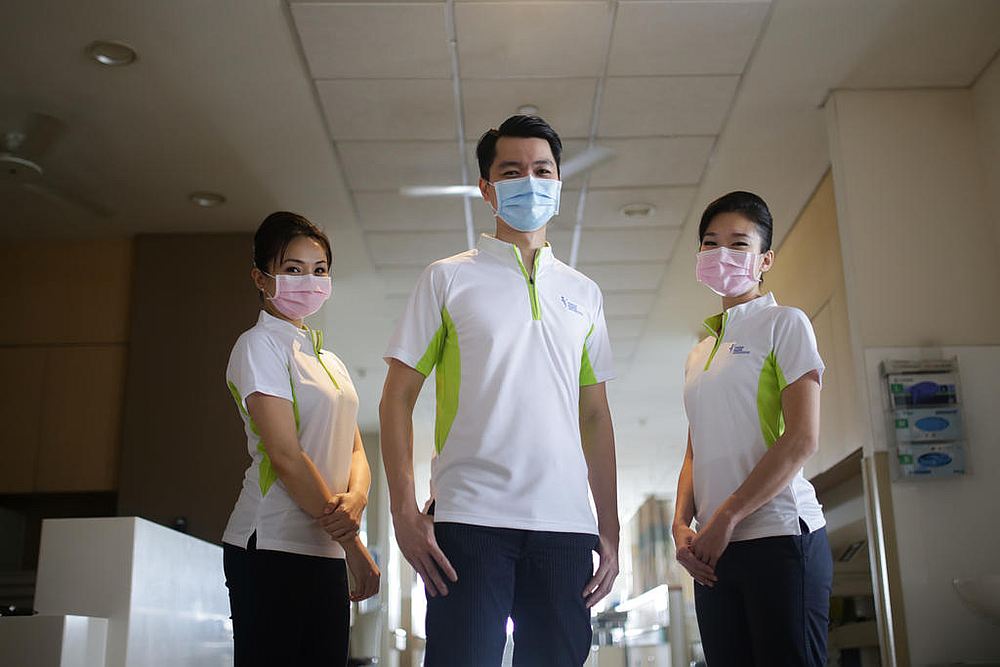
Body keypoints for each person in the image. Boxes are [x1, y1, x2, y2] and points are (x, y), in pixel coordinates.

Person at [380, 115, 620, 666]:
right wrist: (403, 513)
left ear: (559, 183)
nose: (529, 181)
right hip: (469, 522)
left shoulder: (584, 293)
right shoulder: (447, 278)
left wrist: (608, 528)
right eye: (511, 171)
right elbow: (396, 397)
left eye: (542, 169)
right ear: (487, 189)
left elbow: (596, 417)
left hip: (564, 527)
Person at [671, 192, 833, 666]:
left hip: (780, 536)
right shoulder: (699, 352)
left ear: (765, 259)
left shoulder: (785, 324)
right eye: (710, 242)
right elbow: (693, 452)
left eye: (738, 244)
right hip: (712, 554)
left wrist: (726, 517)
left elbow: (802, 437)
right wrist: (681, 524)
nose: (721, 254)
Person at [222, 211, 380, 667]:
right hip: (271, 544)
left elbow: (354, 449)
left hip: (324, 545)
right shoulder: (257, 346)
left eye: (319, 270)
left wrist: (358, 498)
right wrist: (353, 544)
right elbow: (287, 457)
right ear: (261, 277)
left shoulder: (329, 358)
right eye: (292, 269)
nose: (308, 280)